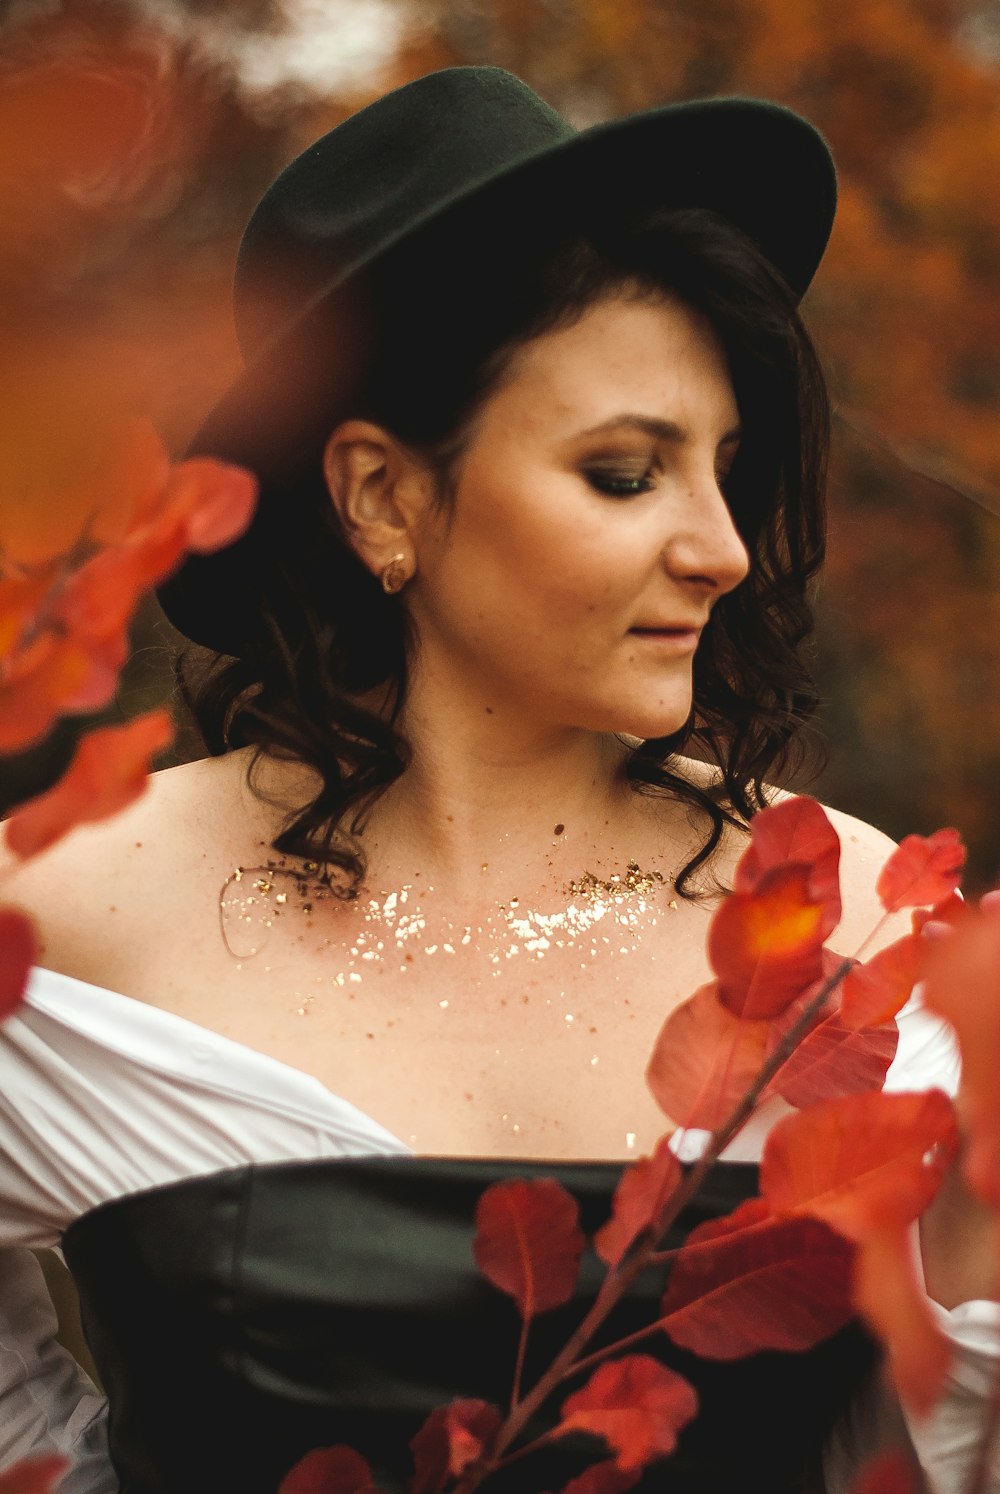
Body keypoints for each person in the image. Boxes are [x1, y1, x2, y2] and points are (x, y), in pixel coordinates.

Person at [0, 66, 993, 1494]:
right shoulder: (83, 913)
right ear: (382, 498)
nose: (721, 544)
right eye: (624, 472)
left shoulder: (854, 932)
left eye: (726, 467)